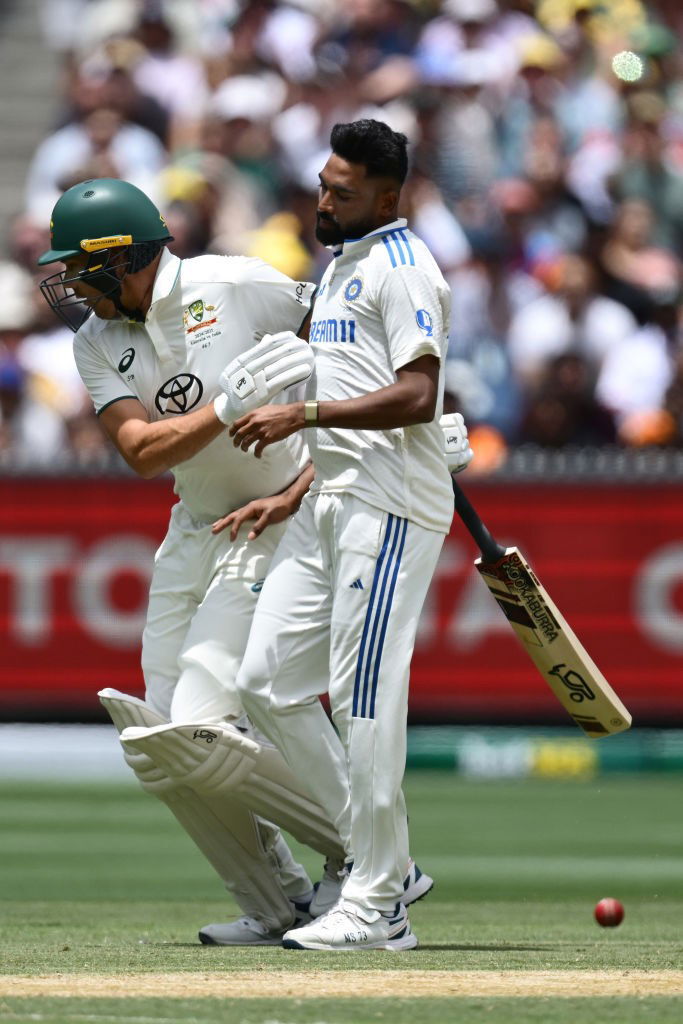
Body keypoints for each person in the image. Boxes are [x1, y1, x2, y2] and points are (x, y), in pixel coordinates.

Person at [36, 176, 436, 947]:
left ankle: (375, 857)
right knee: (159, 743)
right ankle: (278, 899)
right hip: (195, 527)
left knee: (197, 725)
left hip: (277, 519)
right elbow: (142, 453)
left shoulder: (237, 283)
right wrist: (223, 405)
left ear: (124, 260)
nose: (73, 288)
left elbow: (358, 358)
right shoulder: (96, 340)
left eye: (83, 270)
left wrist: (307, 479)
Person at [228, 119, 472, 950]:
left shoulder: (404, 269)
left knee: (363, 696)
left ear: (386, 194)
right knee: (264, 681)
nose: (323, 200)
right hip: (330, 497)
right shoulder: (341, 267)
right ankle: (386, 862)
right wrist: (295, 487)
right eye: (322, 184)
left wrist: (301, 412)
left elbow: (414, 395)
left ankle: (378, 905)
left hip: (388, 505)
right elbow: (362, 402)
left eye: (341, 190)